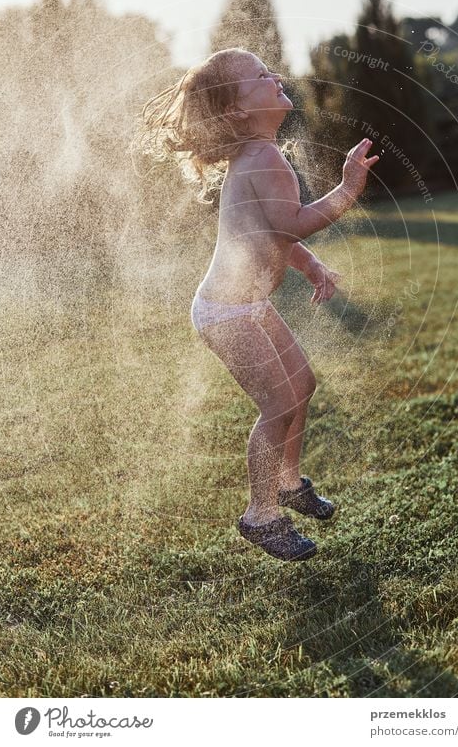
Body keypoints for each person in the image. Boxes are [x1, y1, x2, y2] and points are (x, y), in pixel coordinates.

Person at [139, 48, 380, 561]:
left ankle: (289, 484)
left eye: (268, 69)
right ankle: (261, 515)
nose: (272, 75)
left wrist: (312, 266)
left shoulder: (260, 157)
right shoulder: (262, 158)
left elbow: (270, 235)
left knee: (302, 386)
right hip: (227, 312)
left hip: (245, 305)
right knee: (279, 404)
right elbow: (290, 223)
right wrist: (347, 189)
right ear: (237, 112)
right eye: (258, 76)